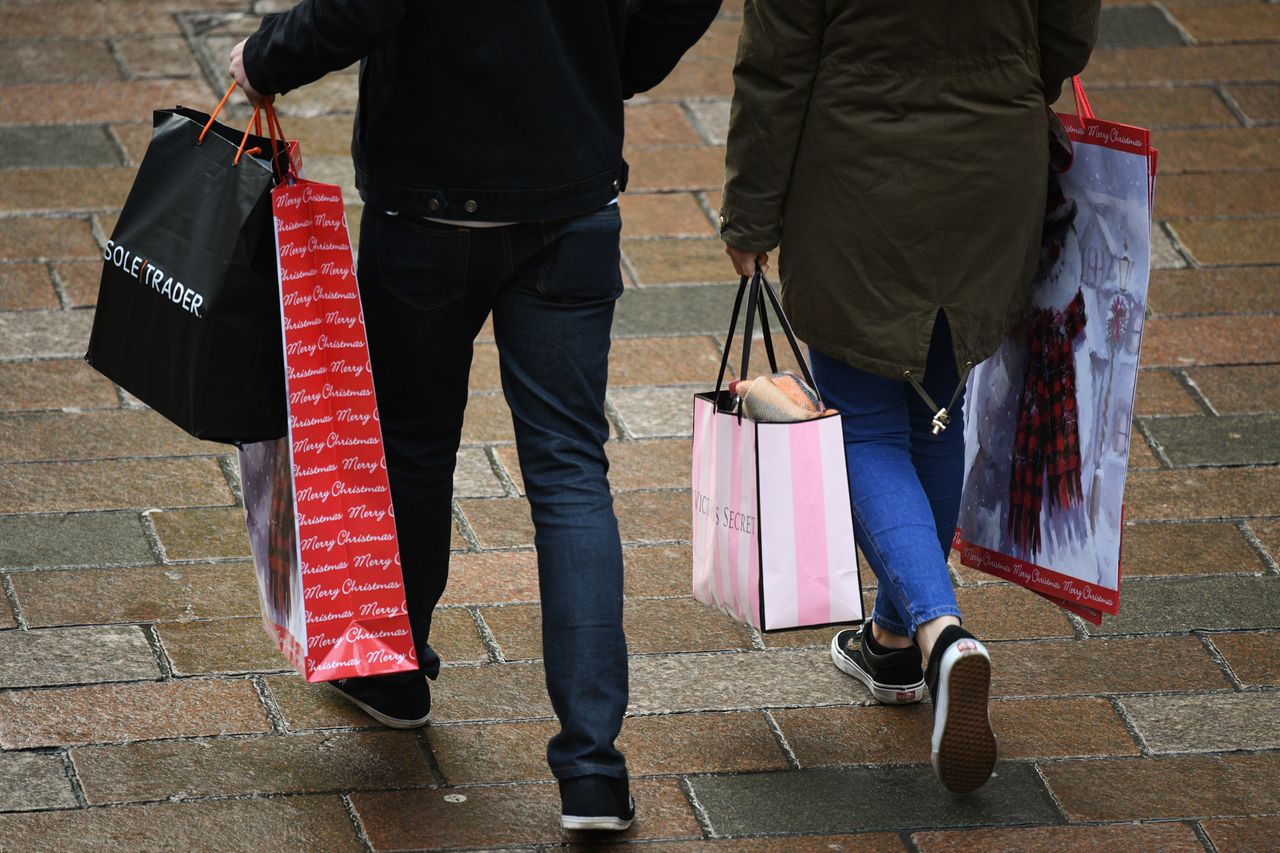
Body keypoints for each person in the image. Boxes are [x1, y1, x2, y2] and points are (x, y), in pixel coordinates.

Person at [230, 0, 720, 831]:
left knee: (414, 447)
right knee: (570, 472)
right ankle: (593, 767)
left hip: (426, 197)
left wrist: (268, 56)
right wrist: (611, 57)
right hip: (571, 193)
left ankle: (392, 671)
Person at [719, 0, 1099, 793]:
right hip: (994, 167)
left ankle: (939, 629)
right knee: (939, 404)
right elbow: (1068, 29)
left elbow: (777, 63)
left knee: (859, 424)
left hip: (859, 176)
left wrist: (751, 210)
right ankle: (893, 639)